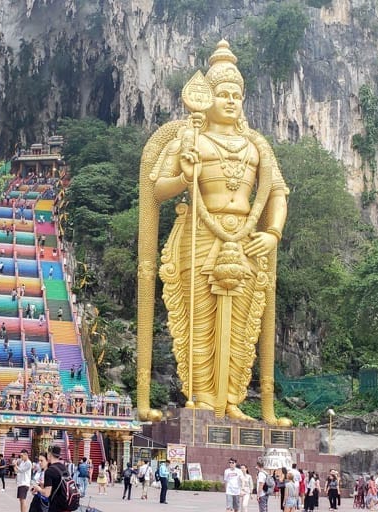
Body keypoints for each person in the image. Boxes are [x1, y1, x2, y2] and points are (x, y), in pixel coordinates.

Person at [136, 39, 290, 425]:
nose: (230, 101)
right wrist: (185, 175)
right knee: (199, 320)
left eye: (237, 95)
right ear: (207, 98)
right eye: (222, 93)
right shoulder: (190, 138)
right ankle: (203, 397)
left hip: (248, 238)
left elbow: (277, 193)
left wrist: (272, 233)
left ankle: (233, 400)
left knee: (243, 324)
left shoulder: (257, 145)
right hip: (200, 235)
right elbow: (157, 189)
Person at [31, 445, 68, 512]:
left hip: (54, 506)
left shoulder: (50, 471)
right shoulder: (64, 468)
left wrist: (38, 488)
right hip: (64, 504)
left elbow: (46, 493)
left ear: (49, 455)